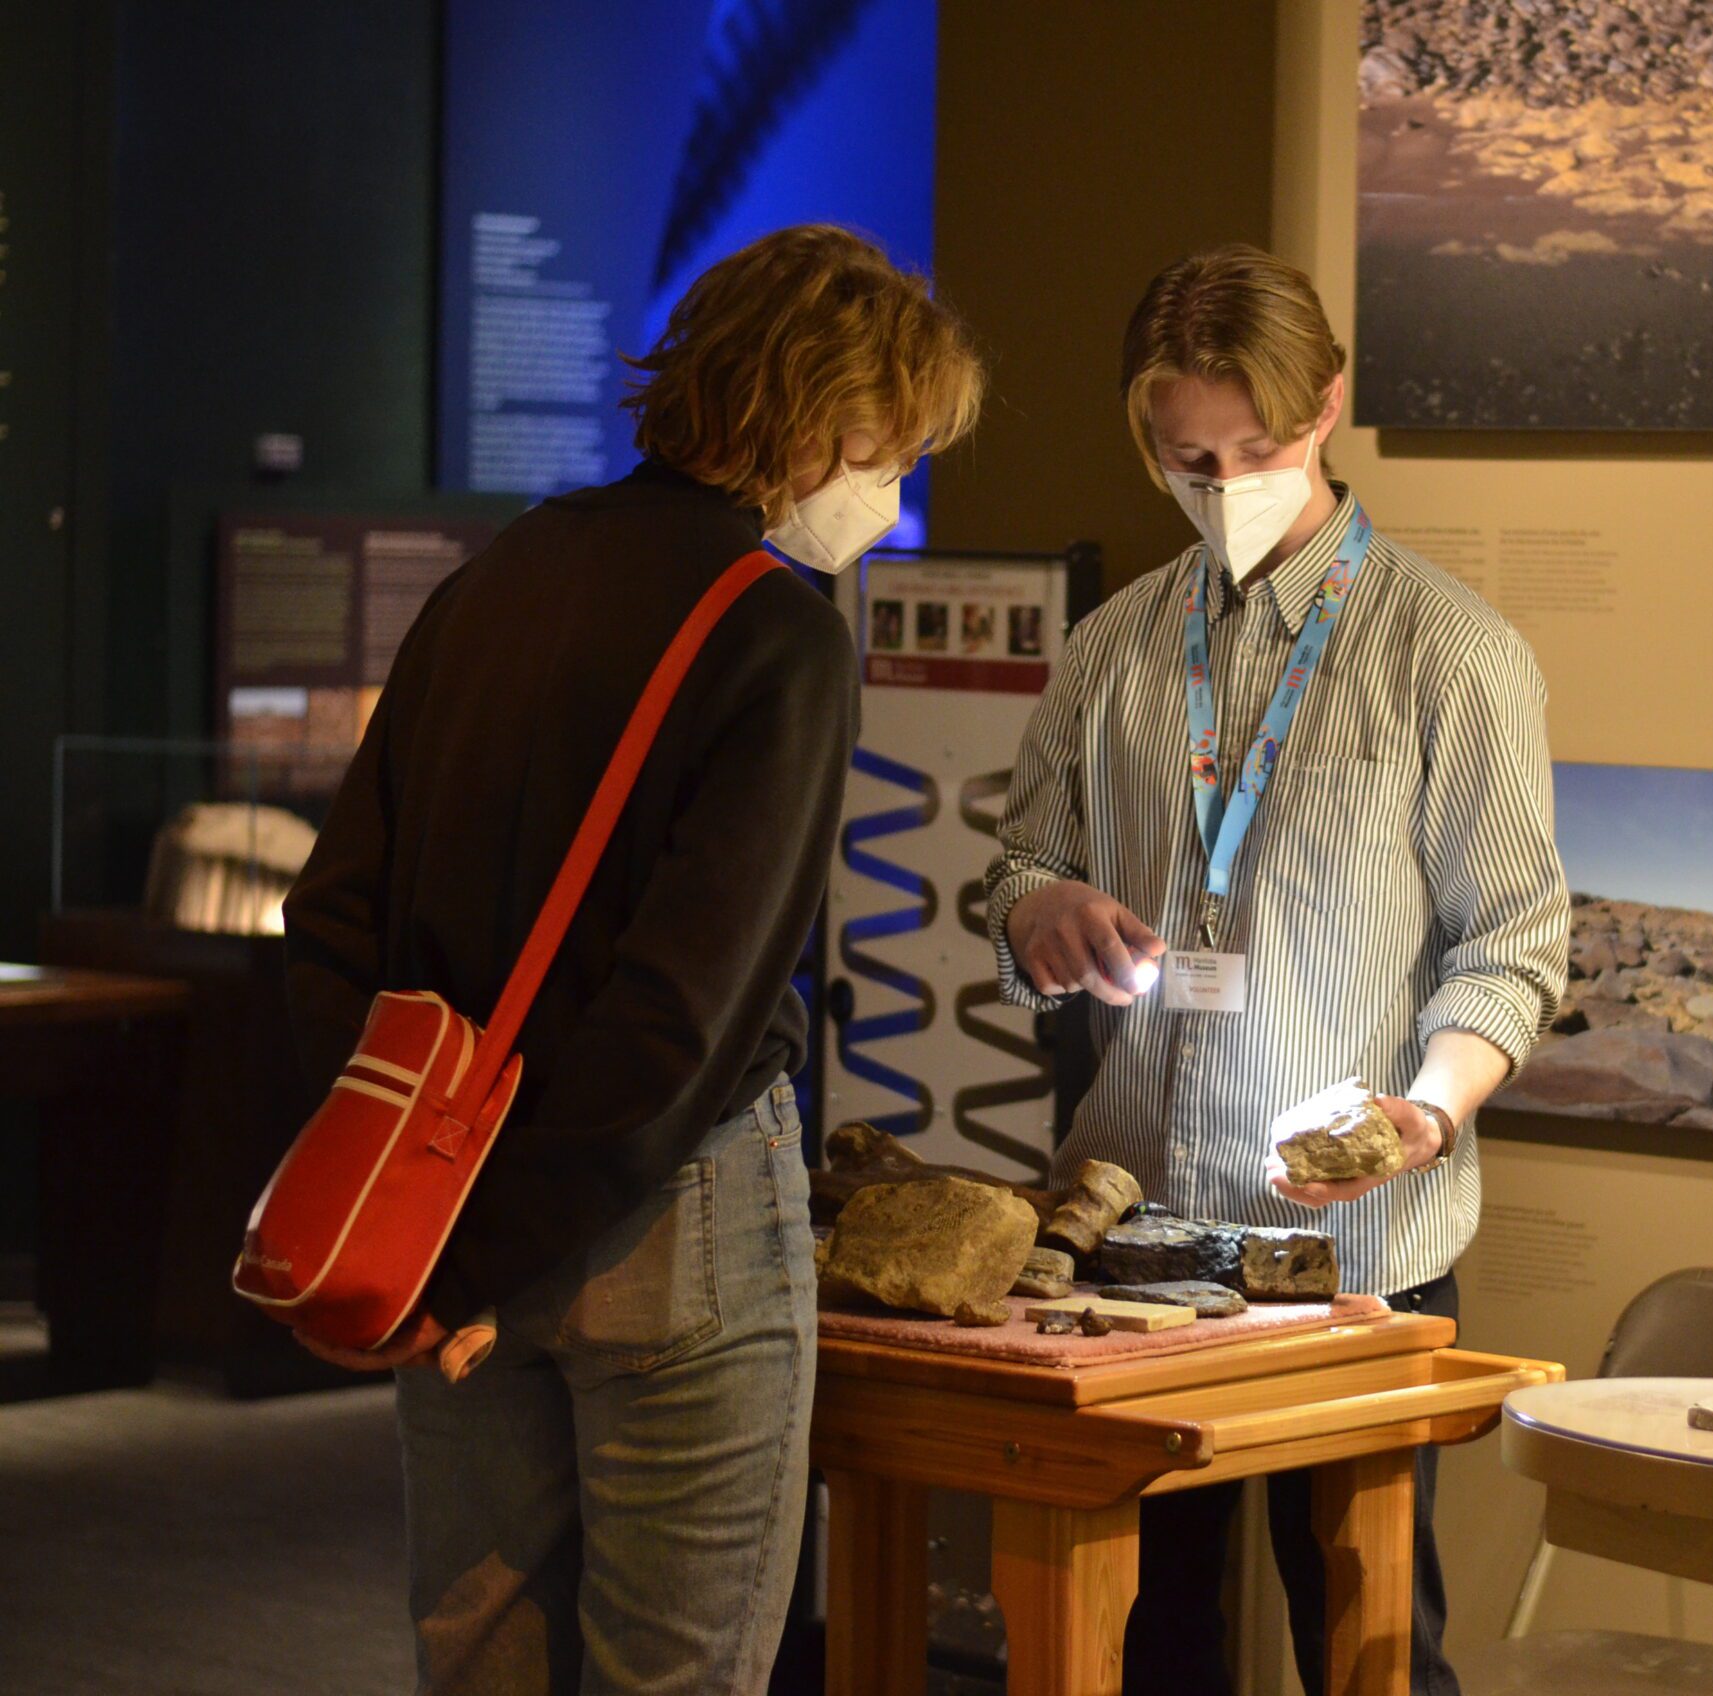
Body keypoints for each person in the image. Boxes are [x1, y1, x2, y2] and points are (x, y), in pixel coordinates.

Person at [281, 224, 981, 1695]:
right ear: (823, 419)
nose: (894, 487)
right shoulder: (777, 631)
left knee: (477, 1663)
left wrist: (445, 1251)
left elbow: (333, 923)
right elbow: (684, 1025)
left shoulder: (497, 580)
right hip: (673, 1216)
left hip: (450, 1199)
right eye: (893, 448)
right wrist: (500, 1247)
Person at [986, 244, 1569, 1696]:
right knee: (1145, 1636)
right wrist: (1040, 909)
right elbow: (1012, 870)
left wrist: (1423, 1114)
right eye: (1191, 459)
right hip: (1139, 1235)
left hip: (1356, 1253)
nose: (1227, 483)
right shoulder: (1113, 649)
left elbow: (1513, 942)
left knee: (1366, 1637)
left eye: (1258, 447)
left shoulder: (1454, 654)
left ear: (1329, 407)